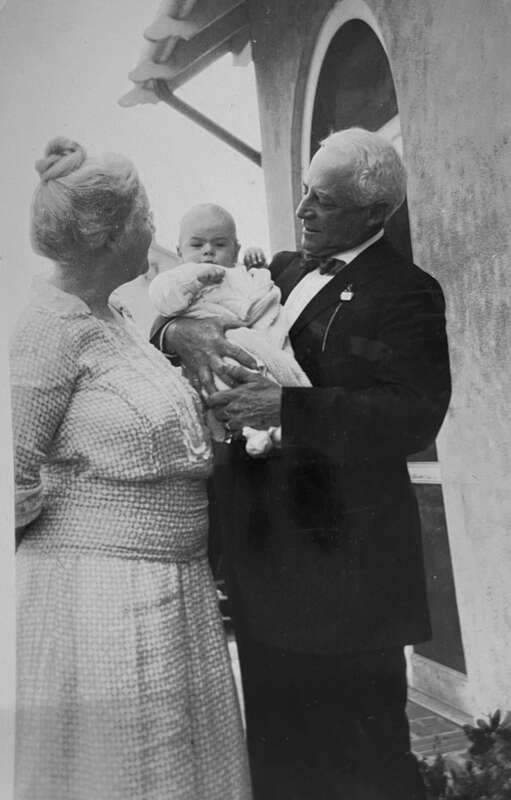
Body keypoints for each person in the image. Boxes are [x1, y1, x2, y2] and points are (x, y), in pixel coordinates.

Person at [153, 127, 451, 799]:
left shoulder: (405, 291)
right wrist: (176, 330)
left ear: (374, 214)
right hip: (267, 572)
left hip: (348, 586)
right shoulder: (282, 272)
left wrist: (287, 409)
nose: (303, 211)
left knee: (361, 768)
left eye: (326, 200)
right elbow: (177, 305)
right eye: (305, 193)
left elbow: (412, 412)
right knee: (281, 767)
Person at [11, 138, 251, 800]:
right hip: (101, 606)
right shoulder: (44, 330)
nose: (152, 224)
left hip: (176, 593)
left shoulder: (114, 317)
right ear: (112, 232)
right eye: (144, 211)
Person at [149, 203, 310, 454]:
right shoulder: (180, 279)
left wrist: (257, 269)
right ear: (179, 251)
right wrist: (194, 281)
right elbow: (163, 299)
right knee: (221, 384)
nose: (208, 252)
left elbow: (261, 295)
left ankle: (275, 429)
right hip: (216, 351)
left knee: (278, 369)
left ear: (235, 251)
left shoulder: (239, 275)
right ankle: (253, 433)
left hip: (256, 341)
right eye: (197, 245)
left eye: (220, 245)